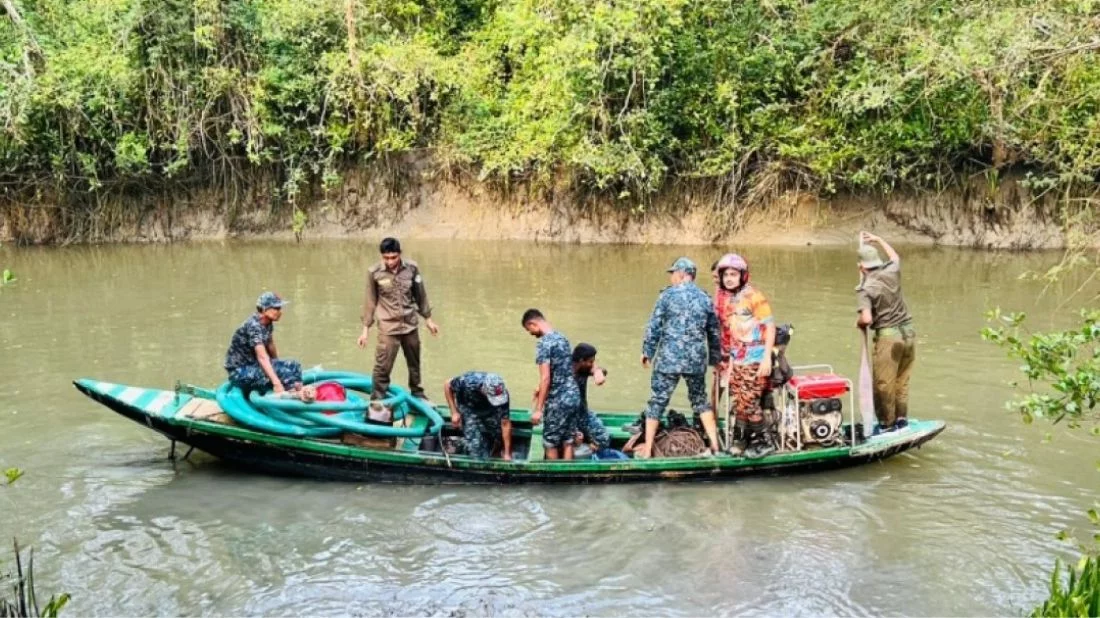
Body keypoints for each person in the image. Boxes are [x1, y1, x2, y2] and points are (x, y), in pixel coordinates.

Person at [639, 257, 723, 458]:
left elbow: (654, 326)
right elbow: (714, 332)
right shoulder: (705, 298)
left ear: (682, 274)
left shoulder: (667, 296)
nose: (672, 278)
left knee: (657, 402)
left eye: (673, 274)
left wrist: (647, 352)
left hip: (669, 359)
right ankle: (715, 446)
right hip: (696, 360)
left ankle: (648, 449)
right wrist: (715, 359)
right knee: (700, 401)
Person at [357, 237, 440, 403]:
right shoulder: (374, 272)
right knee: (382, 367)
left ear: (400, 254)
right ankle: (378, 401)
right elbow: (370, 301)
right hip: (388, 328)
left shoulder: (412, 268)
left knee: (414, 363)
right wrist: (365, 330)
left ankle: (417, 394)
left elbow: (420, 295)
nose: (390, 261)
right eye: (386, 258)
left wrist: (429, 320)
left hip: (410, 325)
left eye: (393, 257)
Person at [714, 253, 776, 457]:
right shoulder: (731, 300)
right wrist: (730, 365)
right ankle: (739, 442)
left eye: (733, 274)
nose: (729, 278)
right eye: (726, 275)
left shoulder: (753, 296)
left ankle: (765, 442)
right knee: (739, 402)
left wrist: (767, 357)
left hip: (756, 358)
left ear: (742, 275)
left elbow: (770, 326)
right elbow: (732, 337)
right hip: (738, 359)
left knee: (749, 402)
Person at [855, 232, 915, 432]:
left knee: (883, 385)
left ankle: (886, 424)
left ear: (862, 267)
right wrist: (880, 240)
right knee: (902, 381)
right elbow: (895, 257)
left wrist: (859, 322)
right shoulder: (892, 271)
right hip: (909, 335)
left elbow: (867, 319)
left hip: (889, 339)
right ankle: (901, 420)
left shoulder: (865, 288)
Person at [522, 309, 583, 460]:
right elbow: (564, 370)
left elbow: (546, 378)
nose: (532, 334)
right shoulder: (562, 338)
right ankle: (568, 477)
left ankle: (555, 481)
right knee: (568, 440)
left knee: (550, 442)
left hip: (559, 400)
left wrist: (538, 410)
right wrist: (540, 389)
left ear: (533, 324)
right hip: (573, 395)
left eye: (530, 330)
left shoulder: (544, 344)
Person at [224, 292, 304, 394]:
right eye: (276, 308)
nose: (280, 312)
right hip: (240, 372)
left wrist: (277, 363)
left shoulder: (267, 322)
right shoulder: (253, 326)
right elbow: (262, 357)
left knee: (294, 365)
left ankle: (299, 392)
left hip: (255, 366)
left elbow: (270, 344)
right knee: (284, 373)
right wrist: (276, 383)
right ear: (265, 309)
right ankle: (288, 401)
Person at [442, 371, 513, 460]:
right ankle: (461, 443)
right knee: (476, 448)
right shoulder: (468, 381)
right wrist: (454, 412)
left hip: (488, 408)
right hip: (468, 407)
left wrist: (507, 453)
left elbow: (505, 423)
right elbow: (447, 385)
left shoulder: (502, 395)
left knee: (499, 434)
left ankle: (495, 449)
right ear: (483, 390)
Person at [571, 343, 611, 452]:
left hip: (583, 413)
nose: (592, 364)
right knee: (567, 442)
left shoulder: (584, 369)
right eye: (590, 362)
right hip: (567, 416)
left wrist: (596, 370)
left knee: (603, 440)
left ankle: (587, 448)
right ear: (581, 360)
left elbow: (603, 373)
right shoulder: (565, 373)